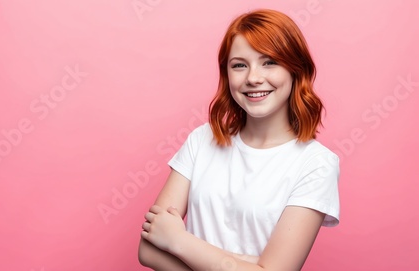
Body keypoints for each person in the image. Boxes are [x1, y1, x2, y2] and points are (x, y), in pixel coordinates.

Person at [138, 9, 340, 271]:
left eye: (269, 62)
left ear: (295, 70)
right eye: (239, 65)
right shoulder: (202, 140)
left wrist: (178, 240)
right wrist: (249, 265)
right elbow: (148, 250)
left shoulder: (317, 164)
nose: (253, 78)